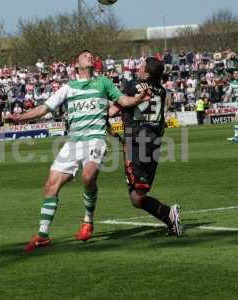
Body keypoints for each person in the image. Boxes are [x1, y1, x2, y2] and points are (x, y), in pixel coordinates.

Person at [11, 50, 151, 252]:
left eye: (92, 56)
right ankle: (42, 235)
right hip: (73, 143)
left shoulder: (103, 83)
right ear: (76, 64)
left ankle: (88, 221)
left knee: (88, 177)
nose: (90, 57)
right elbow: (44, 109)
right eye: (86, 56)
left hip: (95, 140)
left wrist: (138, 98)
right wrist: (20, 118)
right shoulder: (68, 87)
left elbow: (123, 101)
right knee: (51, 184)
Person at [110, 57, 182, 237]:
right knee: (137, 196)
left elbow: (111, 111)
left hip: (135, 143)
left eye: (141, 66)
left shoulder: (133, 87)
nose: (138, 68)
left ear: (147, 73)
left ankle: (168, 214)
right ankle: (169, 216)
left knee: (137, 196)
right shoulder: (162, 91)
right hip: (153, 144)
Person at [225, 67, 238, 143]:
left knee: (237, 116)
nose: (236, 75)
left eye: (237, 73)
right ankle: (236, 137)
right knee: (237, 117)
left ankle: (236, 137)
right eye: (234, 74)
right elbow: (229, 93)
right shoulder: (232, 84)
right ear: (233, 75)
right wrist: (227, 97)